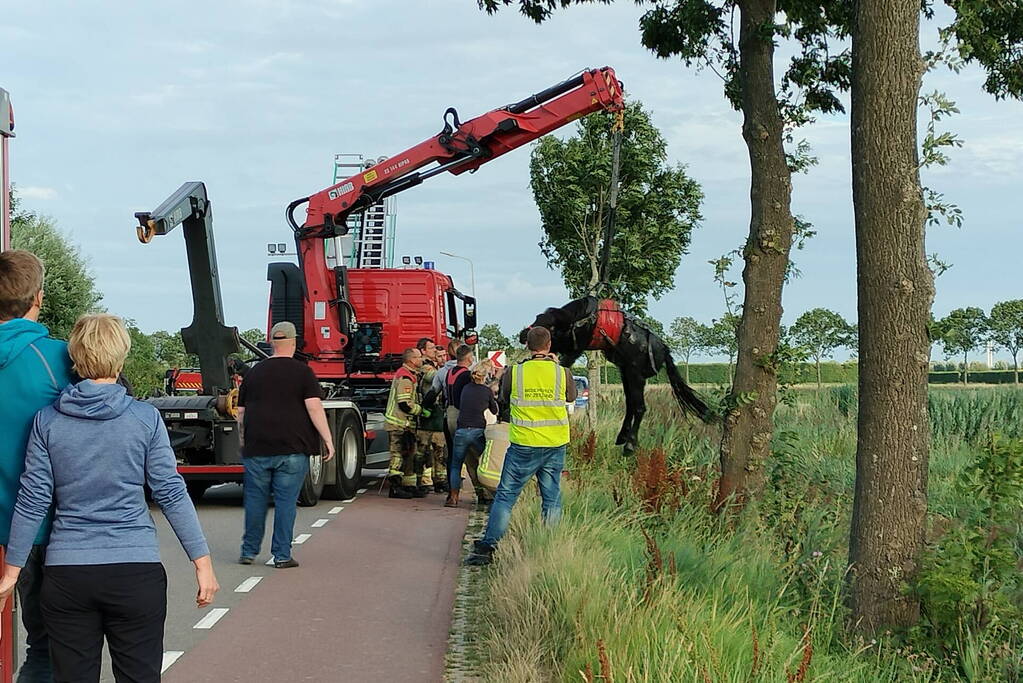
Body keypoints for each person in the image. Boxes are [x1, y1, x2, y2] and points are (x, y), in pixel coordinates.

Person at [0, 314, 219, 683]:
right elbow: (170, 492)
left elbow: (33, 498)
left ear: (75, 358)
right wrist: (202, 563)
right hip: (135, 571)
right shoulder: (144, 419)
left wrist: (12, 570)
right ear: (121, 357)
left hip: (67, 574)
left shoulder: (47, 422)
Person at [0, 249, 74, 681]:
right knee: (51, 648)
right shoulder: (61, 359)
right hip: (49, 528)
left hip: (11, 529)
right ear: (38, 298)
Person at [465, 326, 576, 566]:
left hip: (524, 444)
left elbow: (503, 398)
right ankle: (549, 548)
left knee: (505, 497)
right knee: (551, 498)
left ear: (528, 346)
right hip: (555, 444)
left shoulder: (515, 373)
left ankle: (487, 549)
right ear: (549, 346)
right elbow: (571, 397)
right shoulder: (562, 372)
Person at [237, 321, 335, 568]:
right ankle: (281, 555)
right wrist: (327, 439)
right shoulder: (303, 372)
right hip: (293, 448)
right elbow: (313, 407)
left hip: (257, 448)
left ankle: (248, 551)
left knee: (255, 501)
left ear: (272, 343)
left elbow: (240, 413)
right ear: (293, 342)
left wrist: (243, 440)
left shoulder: (254, 373)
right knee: (285, 503)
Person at [447, 360, 497, 508]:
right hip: (477, 431)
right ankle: (488, 494)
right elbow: (494, 410)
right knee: (483, 462)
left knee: (456, 465)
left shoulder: (466, 389)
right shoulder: (486, 391)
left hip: (461, 430)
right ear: (485, 376)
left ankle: (453, 497)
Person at [384, 347, 428, 499]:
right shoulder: (405, 378)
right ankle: (395, 488)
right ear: (411, 360)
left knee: (408, 455)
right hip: (398, 424)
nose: (422, 359)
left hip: (404, 424)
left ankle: (408, 486)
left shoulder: (410, 375)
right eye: (419, 357)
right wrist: (420, 410)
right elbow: (404, 403)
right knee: (397, 456)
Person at [416, 338, 448, 495]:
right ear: (423, 351)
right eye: (432, 348)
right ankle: (423, 480)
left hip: (435, 413)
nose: (435, 351)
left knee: (439, 450)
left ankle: (439, 480)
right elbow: (434, 378)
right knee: (424, 450)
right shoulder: (424, 367)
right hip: (427, 413)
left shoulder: (434, 366)